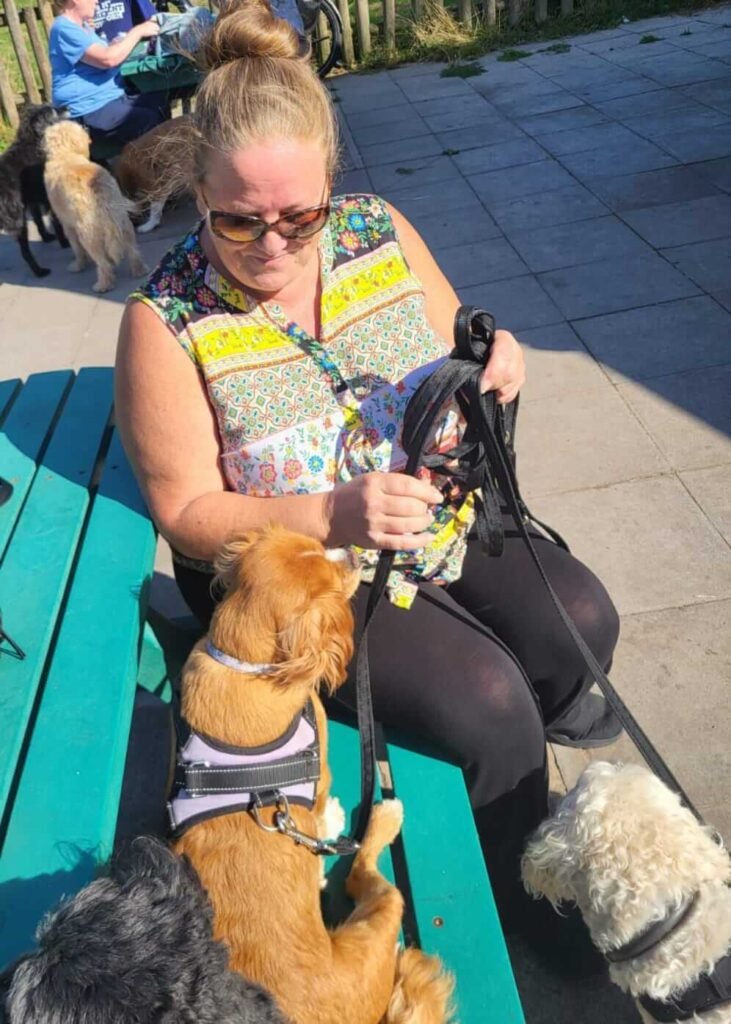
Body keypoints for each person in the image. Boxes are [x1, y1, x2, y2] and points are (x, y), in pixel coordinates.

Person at [115, 0, 621, 939]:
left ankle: (502, 767)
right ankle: (521, 900)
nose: (273, 246)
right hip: (304, 583)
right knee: (487, 702)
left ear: (331, 185)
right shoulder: (166, 317)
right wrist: (329, 514)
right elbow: (183, 510)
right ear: (194, 188)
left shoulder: (372, 228)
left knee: (582, 626)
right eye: (239, 222)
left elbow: (453, 343)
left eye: (299, 217)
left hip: (432, 515)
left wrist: (491, 362)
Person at [49, 0, 169, 149]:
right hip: (87, 110)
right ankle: (138, 168)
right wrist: (138, 31)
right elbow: (108, 59)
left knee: (159, 103)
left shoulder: (83, 27)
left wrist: (118, 43)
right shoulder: (63, 28)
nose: (96, 1)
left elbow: (103, 52)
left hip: (109, 98)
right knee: (148, 121)